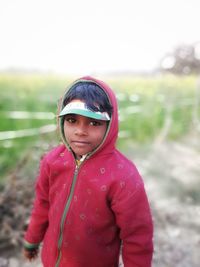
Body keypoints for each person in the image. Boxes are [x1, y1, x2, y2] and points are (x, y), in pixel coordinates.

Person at [23, 76, 153, 267]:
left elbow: (137, 237)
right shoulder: (52, 161)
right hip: (52, 260)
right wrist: (32, 239)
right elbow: (42, 204)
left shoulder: (124, 176)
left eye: (93, 123)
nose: (80, 131)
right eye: (72, 120)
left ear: (110, 125)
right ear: (62, 121)